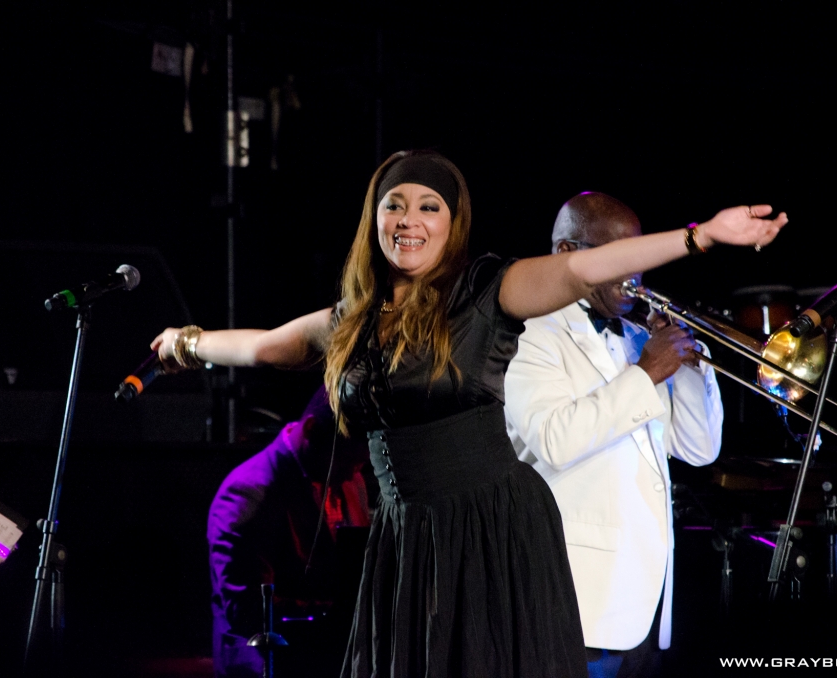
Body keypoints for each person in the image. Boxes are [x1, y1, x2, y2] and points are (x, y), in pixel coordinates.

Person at [152, 150, 786, 678]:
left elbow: (580, 267)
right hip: (407, 537)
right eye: (395, 205)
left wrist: (700, 236)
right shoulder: (352, 320)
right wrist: (186, 344)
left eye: (430, 206)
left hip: (492, 530)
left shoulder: (484, 293)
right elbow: (265, 346)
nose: (410, 219)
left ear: (451, 225)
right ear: (375, 219)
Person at [503, 192, 724, 678]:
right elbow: (553, 439)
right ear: (567, 254)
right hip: (574, 603)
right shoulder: (528, 333)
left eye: (638, 257)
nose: (634, 274)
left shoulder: (638, 338)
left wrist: (689, 366)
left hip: (645, 604)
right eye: (619, 256)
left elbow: (698, 450)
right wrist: (646, 373)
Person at [208, 386, 372, 677]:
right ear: (311, 430)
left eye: (359, 464)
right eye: (346, 461)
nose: (352, 474)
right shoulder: (246, 495)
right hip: (267, 666)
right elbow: (248, 611)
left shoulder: (349, 478)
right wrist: (345, 613)